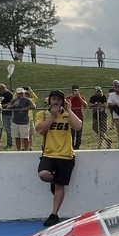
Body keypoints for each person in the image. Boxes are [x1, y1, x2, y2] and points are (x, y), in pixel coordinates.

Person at [35, 90, 82, 226]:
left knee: (59, 186)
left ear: (63, 101)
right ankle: (54, 178)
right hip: (49, 154)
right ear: (49, 100)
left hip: (66, 155)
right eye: (53, 99)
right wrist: (52, 117)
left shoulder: (67, 115)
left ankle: (54, 214)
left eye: (58, 100)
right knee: (43, 175)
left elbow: (78, 126)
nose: (55, 102)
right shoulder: (42, 114)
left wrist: (69, 109)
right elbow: (40, 130)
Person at [88, 83, 109, 148]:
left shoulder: (104, 97)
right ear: (95, 92)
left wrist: (97, 105)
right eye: (97, 91)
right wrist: (97, 105)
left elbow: (105, 105)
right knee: (95, 128)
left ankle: (100, 145)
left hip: (102, 116)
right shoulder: (93, 98)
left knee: (102, 130)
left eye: (100, 91)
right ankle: (108, 140)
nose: (99, 93)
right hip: (95, 116)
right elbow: (89, 105)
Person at [67, 86, 85, 150]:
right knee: (71, 134)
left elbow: (85, 105)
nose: (75, 92)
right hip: (71, 118)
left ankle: (77, 147)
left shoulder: (81, 97)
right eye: (74, 90)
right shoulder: (68, 97)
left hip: (79, 117)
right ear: (72, 91)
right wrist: (72, 97)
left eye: (77, 90)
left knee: (79, 134)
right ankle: (71, 147)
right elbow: (65, 104)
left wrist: (79, 97)